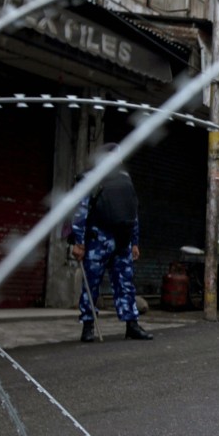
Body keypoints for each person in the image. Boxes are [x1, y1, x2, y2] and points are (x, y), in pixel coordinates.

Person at [71, 143, 153, 342]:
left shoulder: (125, 181)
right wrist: (78, 243)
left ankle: (131, 325)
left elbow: (132, 212)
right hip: (97, 240)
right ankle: (88, 326)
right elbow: (80, 213)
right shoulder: (90, 179)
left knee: (125, 283)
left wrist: (134, 241)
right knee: (91, 284)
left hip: (121, 241)